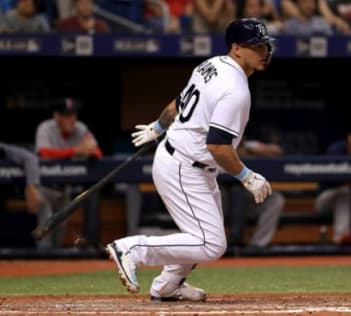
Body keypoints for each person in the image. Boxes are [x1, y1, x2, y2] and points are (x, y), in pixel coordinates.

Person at [105, 18, 274, 302]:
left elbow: (178, 102)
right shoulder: (236, 90)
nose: (264, 51)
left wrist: (158, 127)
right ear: (236, 49)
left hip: (187, 161)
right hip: (184, 167)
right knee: (211, 244)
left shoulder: (212, 65)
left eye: (265, 45)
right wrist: (248, 176)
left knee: (199, 236)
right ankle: (131, 249)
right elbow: (218, 146)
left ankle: (167, 286)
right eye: (256, 46)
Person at [35, 97, 103, 248]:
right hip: (45, 189)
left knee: (59, 237)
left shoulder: (80, 128)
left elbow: (98, 153)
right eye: (66, 115)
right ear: (57, 116)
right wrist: (75, 151)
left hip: (64, 189)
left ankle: (52, 271)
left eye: (73, 114)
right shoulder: (45, 127)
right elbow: (44, 153)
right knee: (45, 237)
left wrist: (90, 152)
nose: (71, 119)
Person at [221, 138, 285, 247]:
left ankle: (258, 246)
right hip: (222, 203)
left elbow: (278, 151)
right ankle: (217, 244)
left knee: (276, 199)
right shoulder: (215, 146)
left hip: (249, 201)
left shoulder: (251, 145)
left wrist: (250, 151)